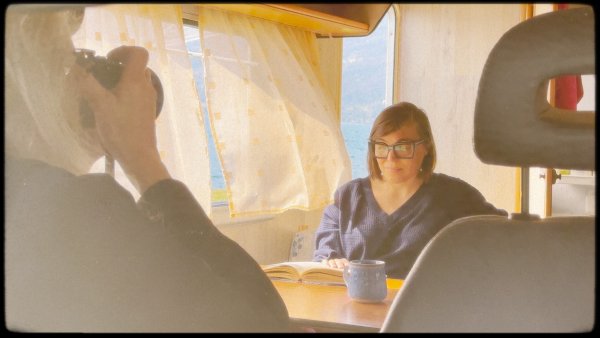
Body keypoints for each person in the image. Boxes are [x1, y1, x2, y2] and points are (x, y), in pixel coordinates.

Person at [4, 5, 290, 332]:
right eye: (69, 64)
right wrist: (141, 157)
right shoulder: (71, 211)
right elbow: (262, 322)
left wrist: (73, 143)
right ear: (32, 80)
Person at [313, 102, 508, 279]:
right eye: (381, 147)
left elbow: (502, 234)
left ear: (426, 148)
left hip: (424, 310)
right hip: (351, 310)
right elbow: (325, 253)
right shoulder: (348, 196)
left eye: (403, 147)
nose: (391, 158)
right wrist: (330, 261)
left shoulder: (452, 195)